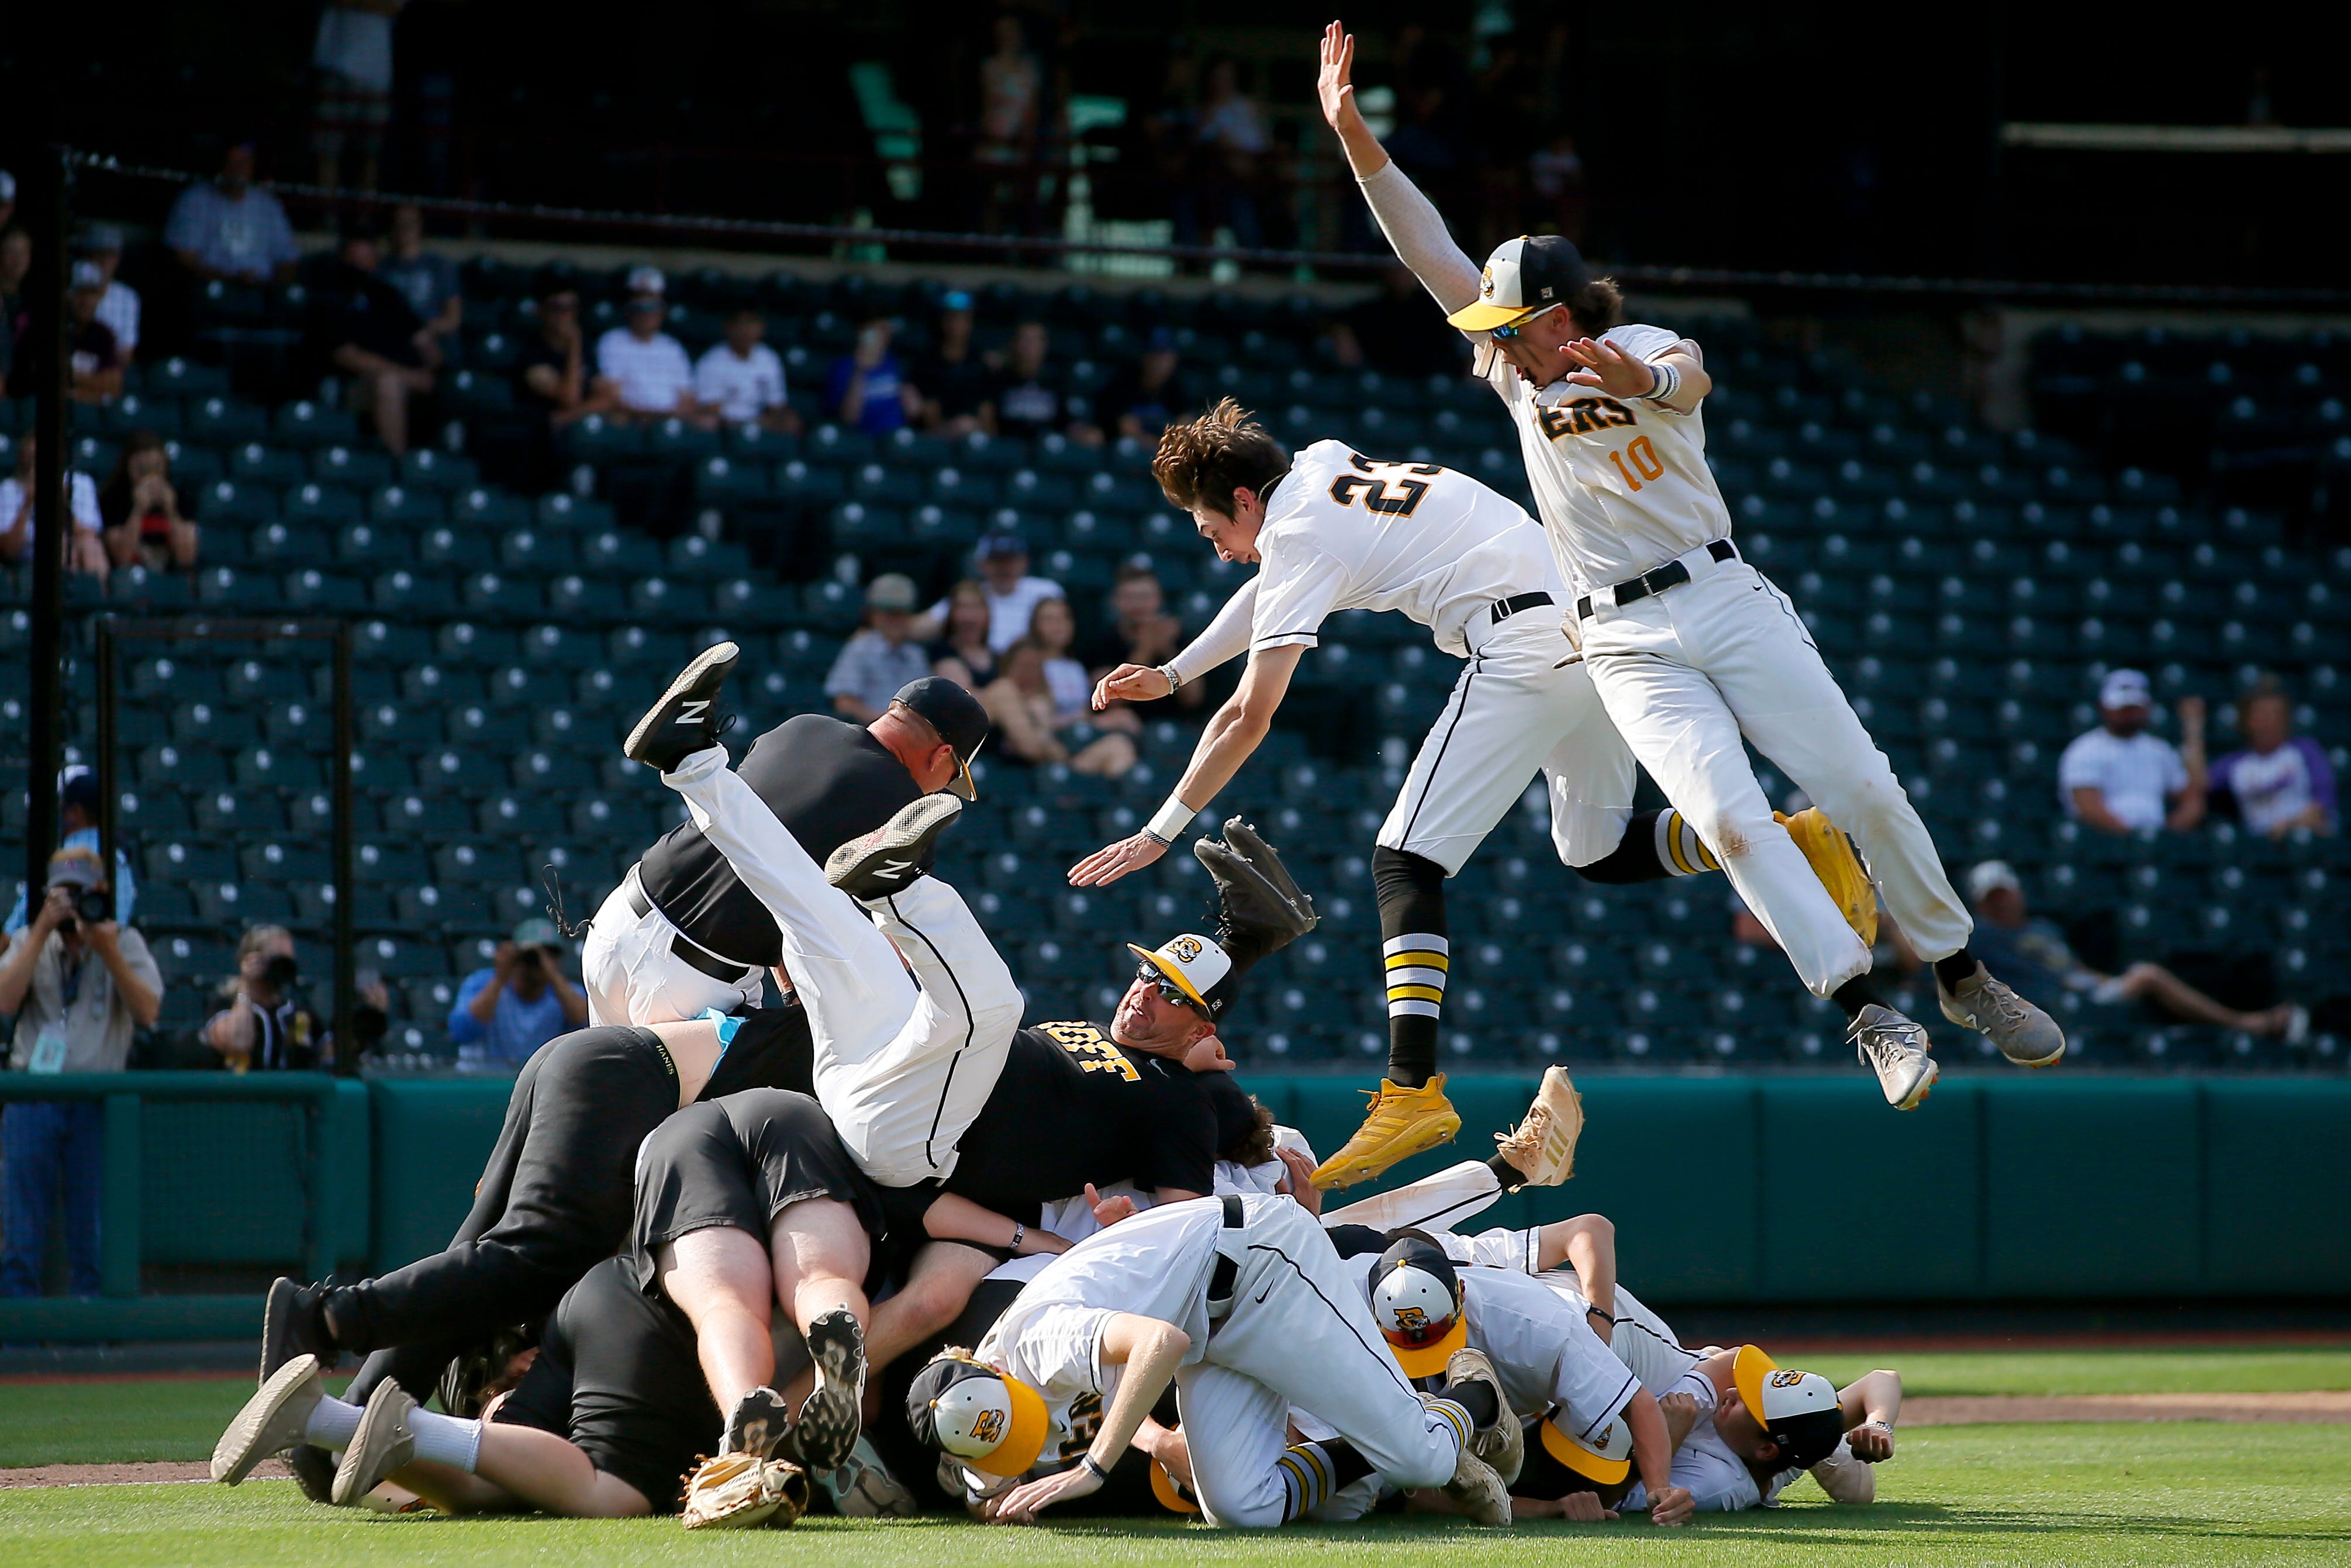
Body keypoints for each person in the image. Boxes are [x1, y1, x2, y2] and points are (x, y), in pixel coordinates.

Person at [1317, 22, 2062, 1108]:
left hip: (1722, 595)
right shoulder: (1517, 377)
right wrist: (1354, 140)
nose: (1490, 339)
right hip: (1616, 635)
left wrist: (1635, 377)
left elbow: (1687, 382)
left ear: (1558, 318)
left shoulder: (1650, 344)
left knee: (1856, 783)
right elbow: (1427, 249)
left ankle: (1959, 972)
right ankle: (1865, 1009)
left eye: (1509, 325)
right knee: (1725, 819)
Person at [1072, 402, 1870, 1186]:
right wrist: (1177, 671)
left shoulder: (1296, 533)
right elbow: (1274, 581)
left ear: (1245, 501)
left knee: (1403, 863)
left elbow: (1249, 716)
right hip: (1593, 630)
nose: (1218, 551)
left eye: (1214, 530)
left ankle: (1412, 1088)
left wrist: (1162, 828)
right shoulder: (1321, 460)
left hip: (1519, 642)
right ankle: (1792, 838)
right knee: (1592, 847)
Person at [257, 1005, 830, 1504]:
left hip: (597, 1062)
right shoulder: (870, 1045)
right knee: (534, 1259)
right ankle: (322, 1319)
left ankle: (340, 1425)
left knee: (497, 1258)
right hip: (628, 1075)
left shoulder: (853, 1030)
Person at [906, 1191, 1512, 1529]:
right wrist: (993, 1501)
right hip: (1208, 1326)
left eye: (1014, 1418)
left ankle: (1472, 1395)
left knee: (1423, 1461)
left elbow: (1159, 1343)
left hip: (1263, 1270)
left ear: (996, 1376)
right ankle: (1379, 1439)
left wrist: (1092, 1467)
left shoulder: (1036, 1339)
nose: (1022, 1435)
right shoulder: (980, 1396)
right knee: (1240, 1510)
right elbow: (984, 1481)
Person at [580, 665, 990, 1027]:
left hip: (615, 925)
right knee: (742, 1111)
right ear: (943, 755)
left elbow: (780, 851)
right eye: (953, 776)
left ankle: (689, 756)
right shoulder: (905, 816)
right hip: (694, 986)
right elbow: (876, 957)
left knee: (611, 1097)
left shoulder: (803, 727)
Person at [0, 848, 161, 1298]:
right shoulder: (33, 939)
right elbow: (4, 1001)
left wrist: (107, 949)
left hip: (97, 1103)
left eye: (81, 893)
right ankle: (20, 1338)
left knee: (90, 1231)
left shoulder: (124, 942)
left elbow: (148, 1011)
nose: (73, 903)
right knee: (21, 1228)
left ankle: (91, 1345)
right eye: (63, 893)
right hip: (33, 1100)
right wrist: (40, 931)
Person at [1963, 861, 2307, 1044]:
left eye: (2005, 893)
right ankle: (2245, 1024)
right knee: (2149, 975)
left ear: (2018, 893)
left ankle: (2232, 1022)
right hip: (2061, 1002)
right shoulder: (1988, 938)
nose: (2003, 902)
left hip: (2087, 987)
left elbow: (2073, 966)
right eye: (1994, 898)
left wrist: (2107, 982)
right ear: (1982, 904)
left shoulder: (2043, 928)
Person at [307, 226, 437, 457]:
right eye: (354, 259)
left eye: (366, 259)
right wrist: (408, 376)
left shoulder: (387, 294)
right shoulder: (329, 298)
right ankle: (399, 469)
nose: (359, 266)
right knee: (388, 383)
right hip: (355, 387)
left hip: (410, 380)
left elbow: (422, 339)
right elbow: (346, 355)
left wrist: (431, 368)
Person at [2059, 669, 2207, 835]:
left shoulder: (2159, 749)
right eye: (2122, 709)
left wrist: (2170, 832)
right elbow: (2087, 804)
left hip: (2155, 836)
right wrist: (2131, 838)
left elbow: (2190, 798)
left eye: (2133, 708)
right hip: (2103, 839)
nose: (2128, 715)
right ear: (2103, 708)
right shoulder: (2084, 749)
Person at [2, 769, 137, 948]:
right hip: (107, 963)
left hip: (56, 962)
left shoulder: (63, 856)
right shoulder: (119, 860)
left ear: (75, 812)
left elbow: (12, 935)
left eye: (62, 809)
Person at [447, 918, 591, 1069]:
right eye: (531, 956)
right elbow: (462, 1031)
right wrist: (501, 977)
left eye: (551, 954)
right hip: (486, 1082)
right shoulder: (481, 983)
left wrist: (553, 976)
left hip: (537, 1083)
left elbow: (584, 1025)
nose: (540, 961)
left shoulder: (566, 992)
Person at [984, 637, 1137, 777]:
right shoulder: (1003, 689)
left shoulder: (1040, 699)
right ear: (1008, 666)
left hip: (1042, 772)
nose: (1029, 673)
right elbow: (1030, 748)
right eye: (1024, 666)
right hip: (1001, 773)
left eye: (1035, 667)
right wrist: (1051, 743)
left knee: (1118, 746)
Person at [2210, 675, 2331, 838]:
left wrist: (2288, 826)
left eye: (2276, 715)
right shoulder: (2236, 763)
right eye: (2262, 715)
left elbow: (2322, 805)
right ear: (2247, 721)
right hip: (2258, 847)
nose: (2269, 722)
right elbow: (2198, 784)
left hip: (2305, 836)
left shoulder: (2305, 751)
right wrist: (2193, 728)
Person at [165, 142, 301, 284]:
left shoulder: (268, 205)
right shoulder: (195, 199)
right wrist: (232, 281)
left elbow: (288, 259)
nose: (238, 170)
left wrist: (274, 289)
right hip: (212, 290)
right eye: (232, 162)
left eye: (244, 163)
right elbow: (185, 258)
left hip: (261, 292)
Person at [1079, 563, 1202, 718]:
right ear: (1117, 600)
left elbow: (1193, 698)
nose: (1138, 605)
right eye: (1130, 597)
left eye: (1145, 597)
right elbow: (1107, 699)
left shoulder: (1179, 637)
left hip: (1177, 722)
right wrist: (1146, 648)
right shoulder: (1101, 640)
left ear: (1159, 599)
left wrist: (1168, 649)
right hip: (1123, 724)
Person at [919, 529, 1065, 654]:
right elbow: (923, 626)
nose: (1004, 567)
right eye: (997, 561)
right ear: (982, 564)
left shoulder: (1046, 591)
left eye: (1010, 560)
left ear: (1024, 562)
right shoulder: (972, 595)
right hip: (986, 670)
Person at [203, 926, 330, 1070]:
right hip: (242, 1090)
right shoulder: (225, 1005)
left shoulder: (298, 1012)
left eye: (287, 961)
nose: (282, 968)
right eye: (277, 960)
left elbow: (331, 1054)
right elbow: (238, 1043)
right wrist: (246, 984)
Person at [311, 0, 405, 192]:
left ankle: (364, 217)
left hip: (376, 75)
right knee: (328, 152)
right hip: (335, 67)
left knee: (370, 156)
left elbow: (393, 8)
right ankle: (329, 218)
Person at [596, 274, 708, 426]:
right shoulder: (613, 340)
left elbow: (688, 398)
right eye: (641, 308)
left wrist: (669, 417)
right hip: (632, 419)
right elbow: (611, 396)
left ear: (662, 312)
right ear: (630, 310)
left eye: (653, 308)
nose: (646, 314)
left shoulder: (672, 346)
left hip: (669, 420)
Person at [0, 433, 109, 585]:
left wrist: (63, 505)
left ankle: (99, 602)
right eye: (31, 457)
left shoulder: (80, 482)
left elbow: (90, 533)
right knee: (60, 544)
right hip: (31, 558)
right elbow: (9, 550)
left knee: (91, 546)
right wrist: (28, 502)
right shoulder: (9, 488)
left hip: (80, 550)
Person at [825, 575, 933, 724]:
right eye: (889, 613)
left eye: (901, 613)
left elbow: (927, 703)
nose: (895, 620)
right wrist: (888, 724)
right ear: (873, 615)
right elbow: (845, 703)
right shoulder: (859, 649)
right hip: (869, 735)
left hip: (911, 737)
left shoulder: (916, 655)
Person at [99, 429, 202, 574]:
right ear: (128, 467)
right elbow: (123, 559)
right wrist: (138, 510)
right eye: (142, 470)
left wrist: (171, 510)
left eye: (156, 469)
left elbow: (186, 558)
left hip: (172, 578)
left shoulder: (180, 495)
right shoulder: (113, 498)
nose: (149, 478)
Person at [375, 203, 463, 352]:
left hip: (431, 339)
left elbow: (453, 319)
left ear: (420, 226)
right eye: (398, 224)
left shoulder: (439, 266)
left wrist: (427, 330)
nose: (403, 229)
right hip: (393, 340)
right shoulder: (382, 269)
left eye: (409, 224)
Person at [695, 308, 797, 431]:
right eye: (740, 324)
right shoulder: (712, 361)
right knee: (707, 422)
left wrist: (767, 421)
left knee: (791, 421)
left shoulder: (769, 357)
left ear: (761, 328)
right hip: (726, 425)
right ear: (728, 328)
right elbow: (710, 410)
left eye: (751, 323)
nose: (746, 330)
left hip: (760, 422)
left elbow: (776, 406)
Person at [985, 321, 1085, 443]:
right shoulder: (998, 379)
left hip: (1048, 451)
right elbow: (987, 420)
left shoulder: (1056, 382)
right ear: (1014, 343)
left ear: (1044, 345)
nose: (1029, 346)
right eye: (1025, 339)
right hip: (1006, 449)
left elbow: (1069, 424)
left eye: (1034, 340)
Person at [1093, 328, 1196, 443]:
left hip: (1166, 450)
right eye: (1155, 355)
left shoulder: (1178, 387)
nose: (1160, 363)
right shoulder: (1124, 383)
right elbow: (1127, 428)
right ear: (1145, 357)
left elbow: (1187, 425)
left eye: (1165, 356)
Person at [916, 291, 991, 437]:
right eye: (952, 318)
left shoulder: (979, 362)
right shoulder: (928, 362)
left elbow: (986, 409)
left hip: (975, 436)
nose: (957, 325)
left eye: (963, 319)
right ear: (943, 322)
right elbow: (930, 412)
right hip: (940, 437)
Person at [826, 316, 917, 436]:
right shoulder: (843, 367)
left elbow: (914, 411)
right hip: (860, 438)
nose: (884, 335)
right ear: (863, 333)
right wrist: (861, 370)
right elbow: (849, 418)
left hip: (897, 436)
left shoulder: (895, 363)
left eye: (886, 330)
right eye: (879, 329)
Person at [62, 261, 125, 405]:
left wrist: (74, 381)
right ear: (68, 295)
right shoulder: (52, 330)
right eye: (80, 293)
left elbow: (114, 385)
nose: (87, 301)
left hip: (90, 414)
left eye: (92, 294)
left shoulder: (103, 334)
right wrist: (92, 384)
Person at [75, 225, 141, 360]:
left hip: (106, 368)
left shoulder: (128, 297)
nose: (104, 261)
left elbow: (126, 354)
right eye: (99, 254)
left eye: (110, 255)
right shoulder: (72, 288)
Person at [927, 578, 999, 688]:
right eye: (962, 607)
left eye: (975, 607)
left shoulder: (996, 657)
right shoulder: (942, 653)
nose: (968, 617)